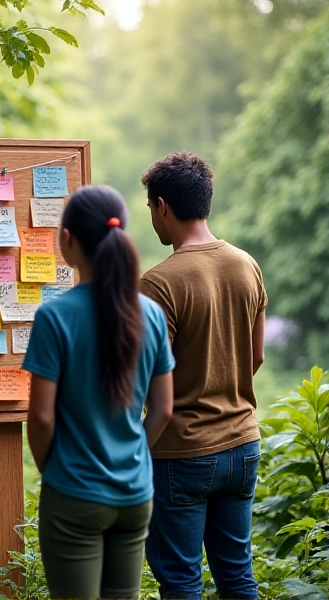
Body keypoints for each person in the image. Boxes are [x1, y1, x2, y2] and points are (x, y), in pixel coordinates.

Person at [23, 184, 175, 599]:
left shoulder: (54, 316)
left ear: (67, 240)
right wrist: (135, 455)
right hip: (135, 494)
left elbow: (40, 417)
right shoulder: (151, 315)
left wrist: (52, 469)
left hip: (73, 494)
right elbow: (163, 409)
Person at [140, 152, 267, 600]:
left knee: (180, 581)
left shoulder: (158, 284)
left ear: (162, 207)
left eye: (150, 211)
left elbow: (148, 383)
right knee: (237, 576)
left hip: (182, 453)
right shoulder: (245, 265)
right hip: (243, 444)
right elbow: (255, 357)